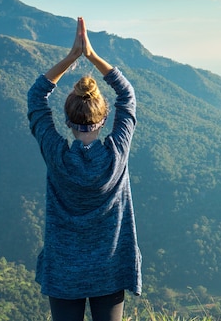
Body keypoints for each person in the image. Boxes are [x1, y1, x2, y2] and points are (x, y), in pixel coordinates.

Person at [27, 17, 141, 321]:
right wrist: (91, 55)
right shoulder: (116, 154)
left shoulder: (56, 155)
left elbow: (36, 97)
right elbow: (127, 96)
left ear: (66, 120)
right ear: (104, 119)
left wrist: (71, 57)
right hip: (110, 268)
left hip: (64, 272)